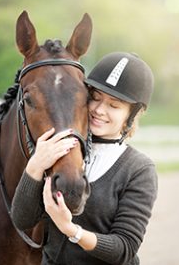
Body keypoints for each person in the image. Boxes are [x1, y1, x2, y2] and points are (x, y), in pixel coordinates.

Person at [11, 52, 158, 265]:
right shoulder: (62, 149)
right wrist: (34, 166)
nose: (99, 110)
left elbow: (124, 248)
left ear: (132, 115)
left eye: (114, 105)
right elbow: (23, 220)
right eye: (95, 98)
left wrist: (70, 230)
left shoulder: (139, 169)